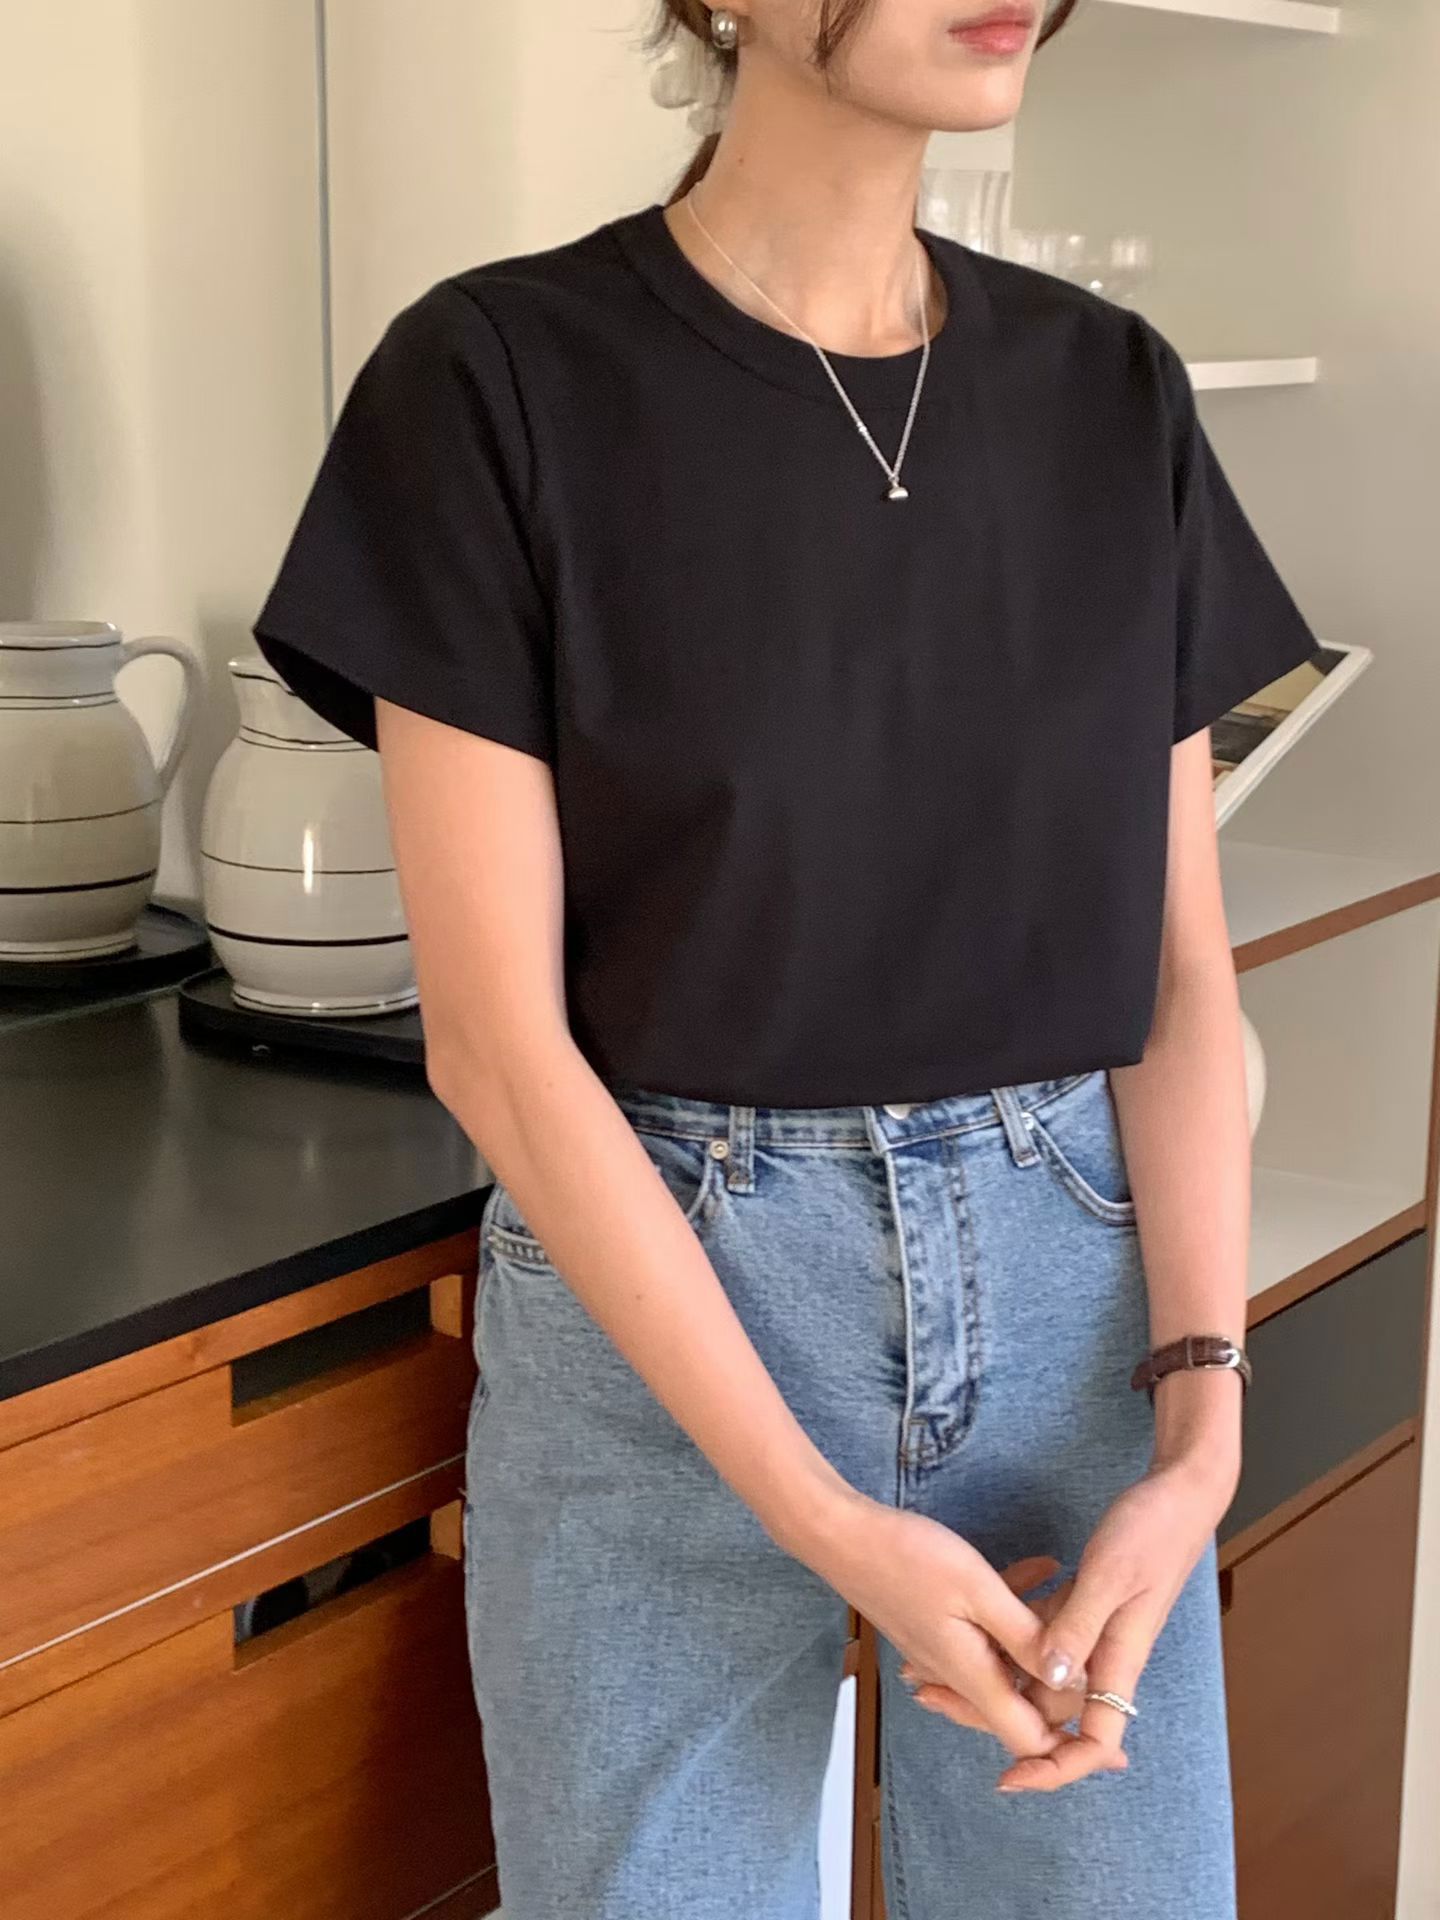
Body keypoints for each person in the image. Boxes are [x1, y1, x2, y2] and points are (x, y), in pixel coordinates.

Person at [251, 3, 1323, 1914]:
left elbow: (1176, 980)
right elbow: (497, 1048)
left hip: (1075, 1297)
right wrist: (822, 1513)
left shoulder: (1111, 392)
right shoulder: (497, 378)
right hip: (663, 1285)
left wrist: (1199, 1433)